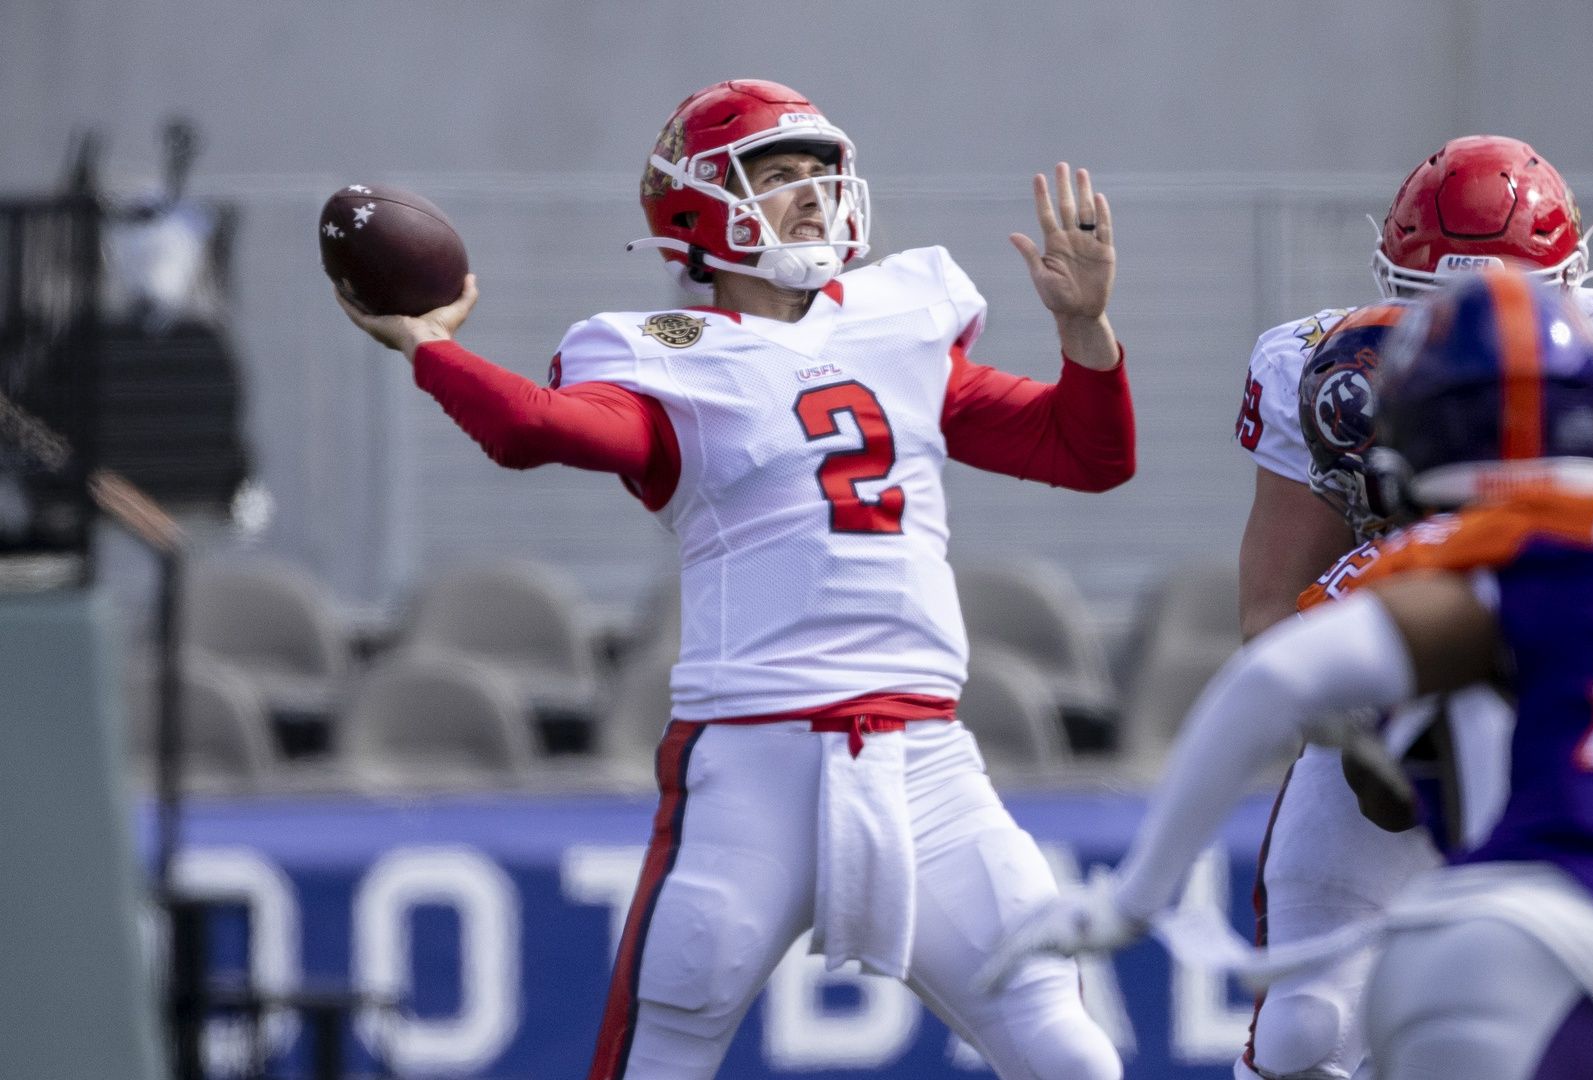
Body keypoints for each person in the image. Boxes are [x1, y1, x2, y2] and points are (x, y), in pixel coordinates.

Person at [334, 78, 1131, 1080]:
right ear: (696, 205)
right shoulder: (668, 356)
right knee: (658, 1060)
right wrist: (432, 347)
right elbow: (531, 429)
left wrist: (1084, 333)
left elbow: (1086, 453)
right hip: (752, 768)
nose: (811, 195)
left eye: (818, 173)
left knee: (1075, 1058)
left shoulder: (902, 324)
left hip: (930, 765)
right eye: (778, 175)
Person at [984, 267, 1593, 1080]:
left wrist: (1134, 896)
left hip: (1532, 925)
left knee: (1307, 1029)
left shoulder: (1472, 555)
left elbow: (1281, 681)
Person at [1226, 135, 1593, 1080]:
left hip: (1589, 702)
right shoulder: (1321, 365)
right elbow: (1272, 613)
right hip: (1418, 658)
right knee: (1304, 1033)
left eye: (1515, 300)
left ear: (1575, 285)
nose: (1476, 331)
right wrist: (1359, 707)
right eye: (1431, 304)